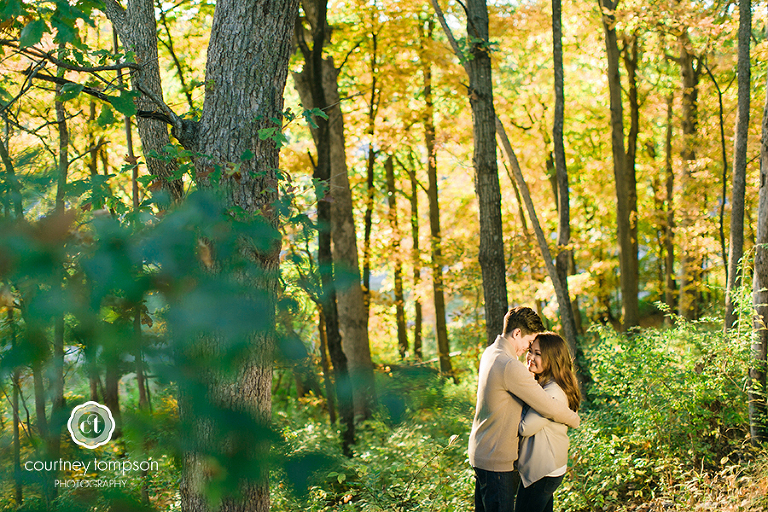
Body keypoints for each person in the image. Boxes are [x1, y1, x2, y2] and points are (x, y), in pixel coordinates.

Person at [468, 307, 580, 512]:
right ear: (517, 333)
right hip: (497, 459)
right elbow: (549, 407)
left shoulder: (490, 352)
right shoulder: (510, 365)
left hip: (481, 451)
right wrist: (574, 419)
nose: (527, 351)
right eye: (529, 344)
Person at [515, 332, 582, 512]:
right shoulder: (546, 384)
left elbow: (525, 427)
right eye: (531, 351)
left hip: (542, 471)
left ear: (552, 359)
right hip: (548, 467)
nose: (531, 357)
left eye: (538, 353)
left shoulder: (552, 391)